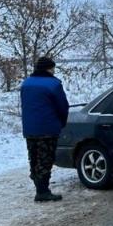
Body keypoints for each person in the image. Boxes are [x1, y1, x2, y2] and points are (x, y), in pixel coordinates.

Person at [20, 56, 70, 202]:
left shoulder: (26, 83)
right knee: (45, 159)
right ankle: (42, 191)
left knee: (34, 158)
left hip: (30, 129)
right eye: (53, 68)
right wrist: (61, 122)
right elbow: (63, 106)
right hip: (47, 129)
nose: (54, 70)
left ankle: (39, 187)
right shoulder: (53, 84)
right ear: (49, 68)